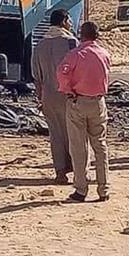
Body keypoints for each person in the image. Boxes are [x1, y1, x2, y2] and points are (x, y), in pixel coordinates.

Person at [57, 21, 111, 203]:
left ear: (81, 34)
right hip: (98, 102)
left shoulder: (75, 55)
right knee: (100, 146)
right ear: (97, 35)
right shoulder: (104, 54)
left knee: (79, 148)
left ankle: (81, 189)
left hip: (78, 101)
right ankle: (104, 189)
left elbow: (62, 74)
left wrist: (68, 90)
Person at [31, 9, 77, 183]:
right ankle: (78, 170)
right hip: (67, 94)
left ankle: (60, 172)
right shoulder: (70, 42)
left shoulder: (40, 45)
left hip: (48, 95)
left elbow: (36, 76)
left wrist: (40, 98)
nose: (71, 24)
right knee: (74, 133)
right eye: (69, 20)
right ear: (64, 20)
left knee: (56, 134)